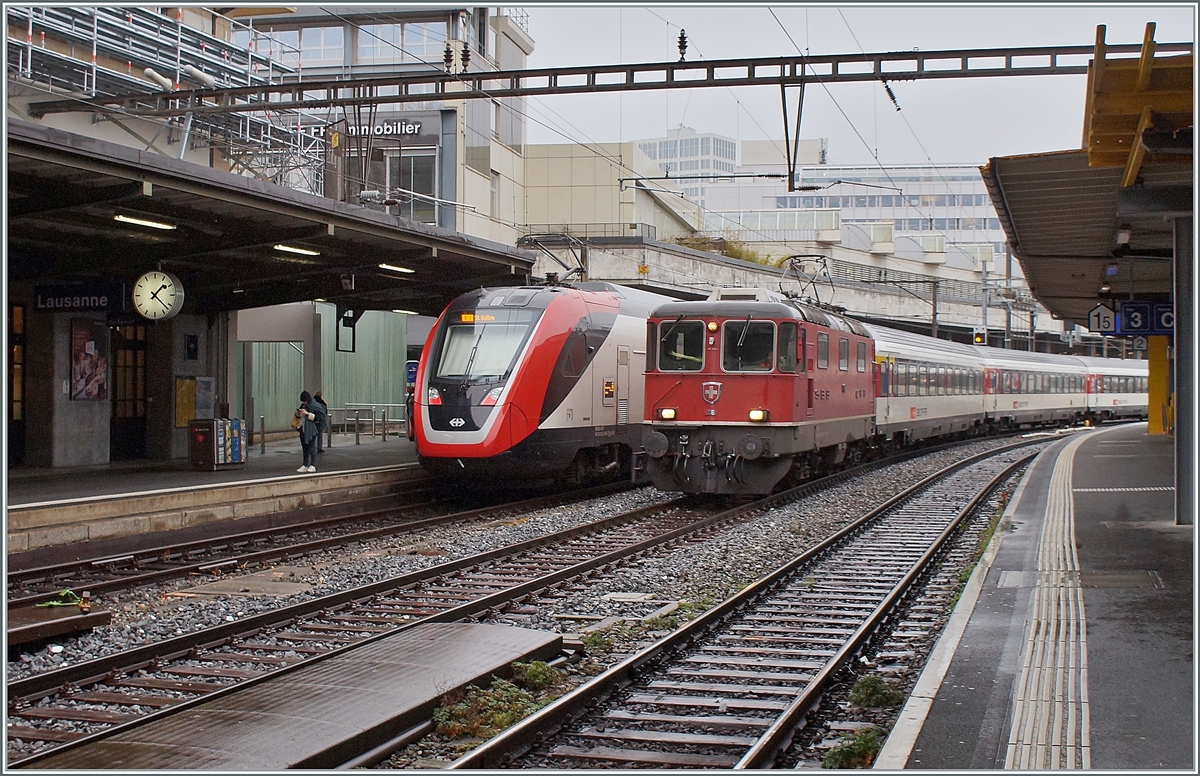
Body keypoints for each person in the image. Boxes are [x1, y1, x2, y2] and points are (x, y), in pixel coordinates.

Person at [296, 391, 319, 473]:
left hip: (311, 430)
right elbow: (298, 416)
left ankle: (312, 465)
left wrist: (307, 413)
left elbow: (317, 418)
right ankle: (305, 464)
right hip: (303, 429)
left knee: (312, 448)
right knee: (305, 448)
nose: (303, 403)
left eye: (304, 401)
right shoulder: (303, 405)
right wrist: (299, 413)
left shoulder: (314, 406)